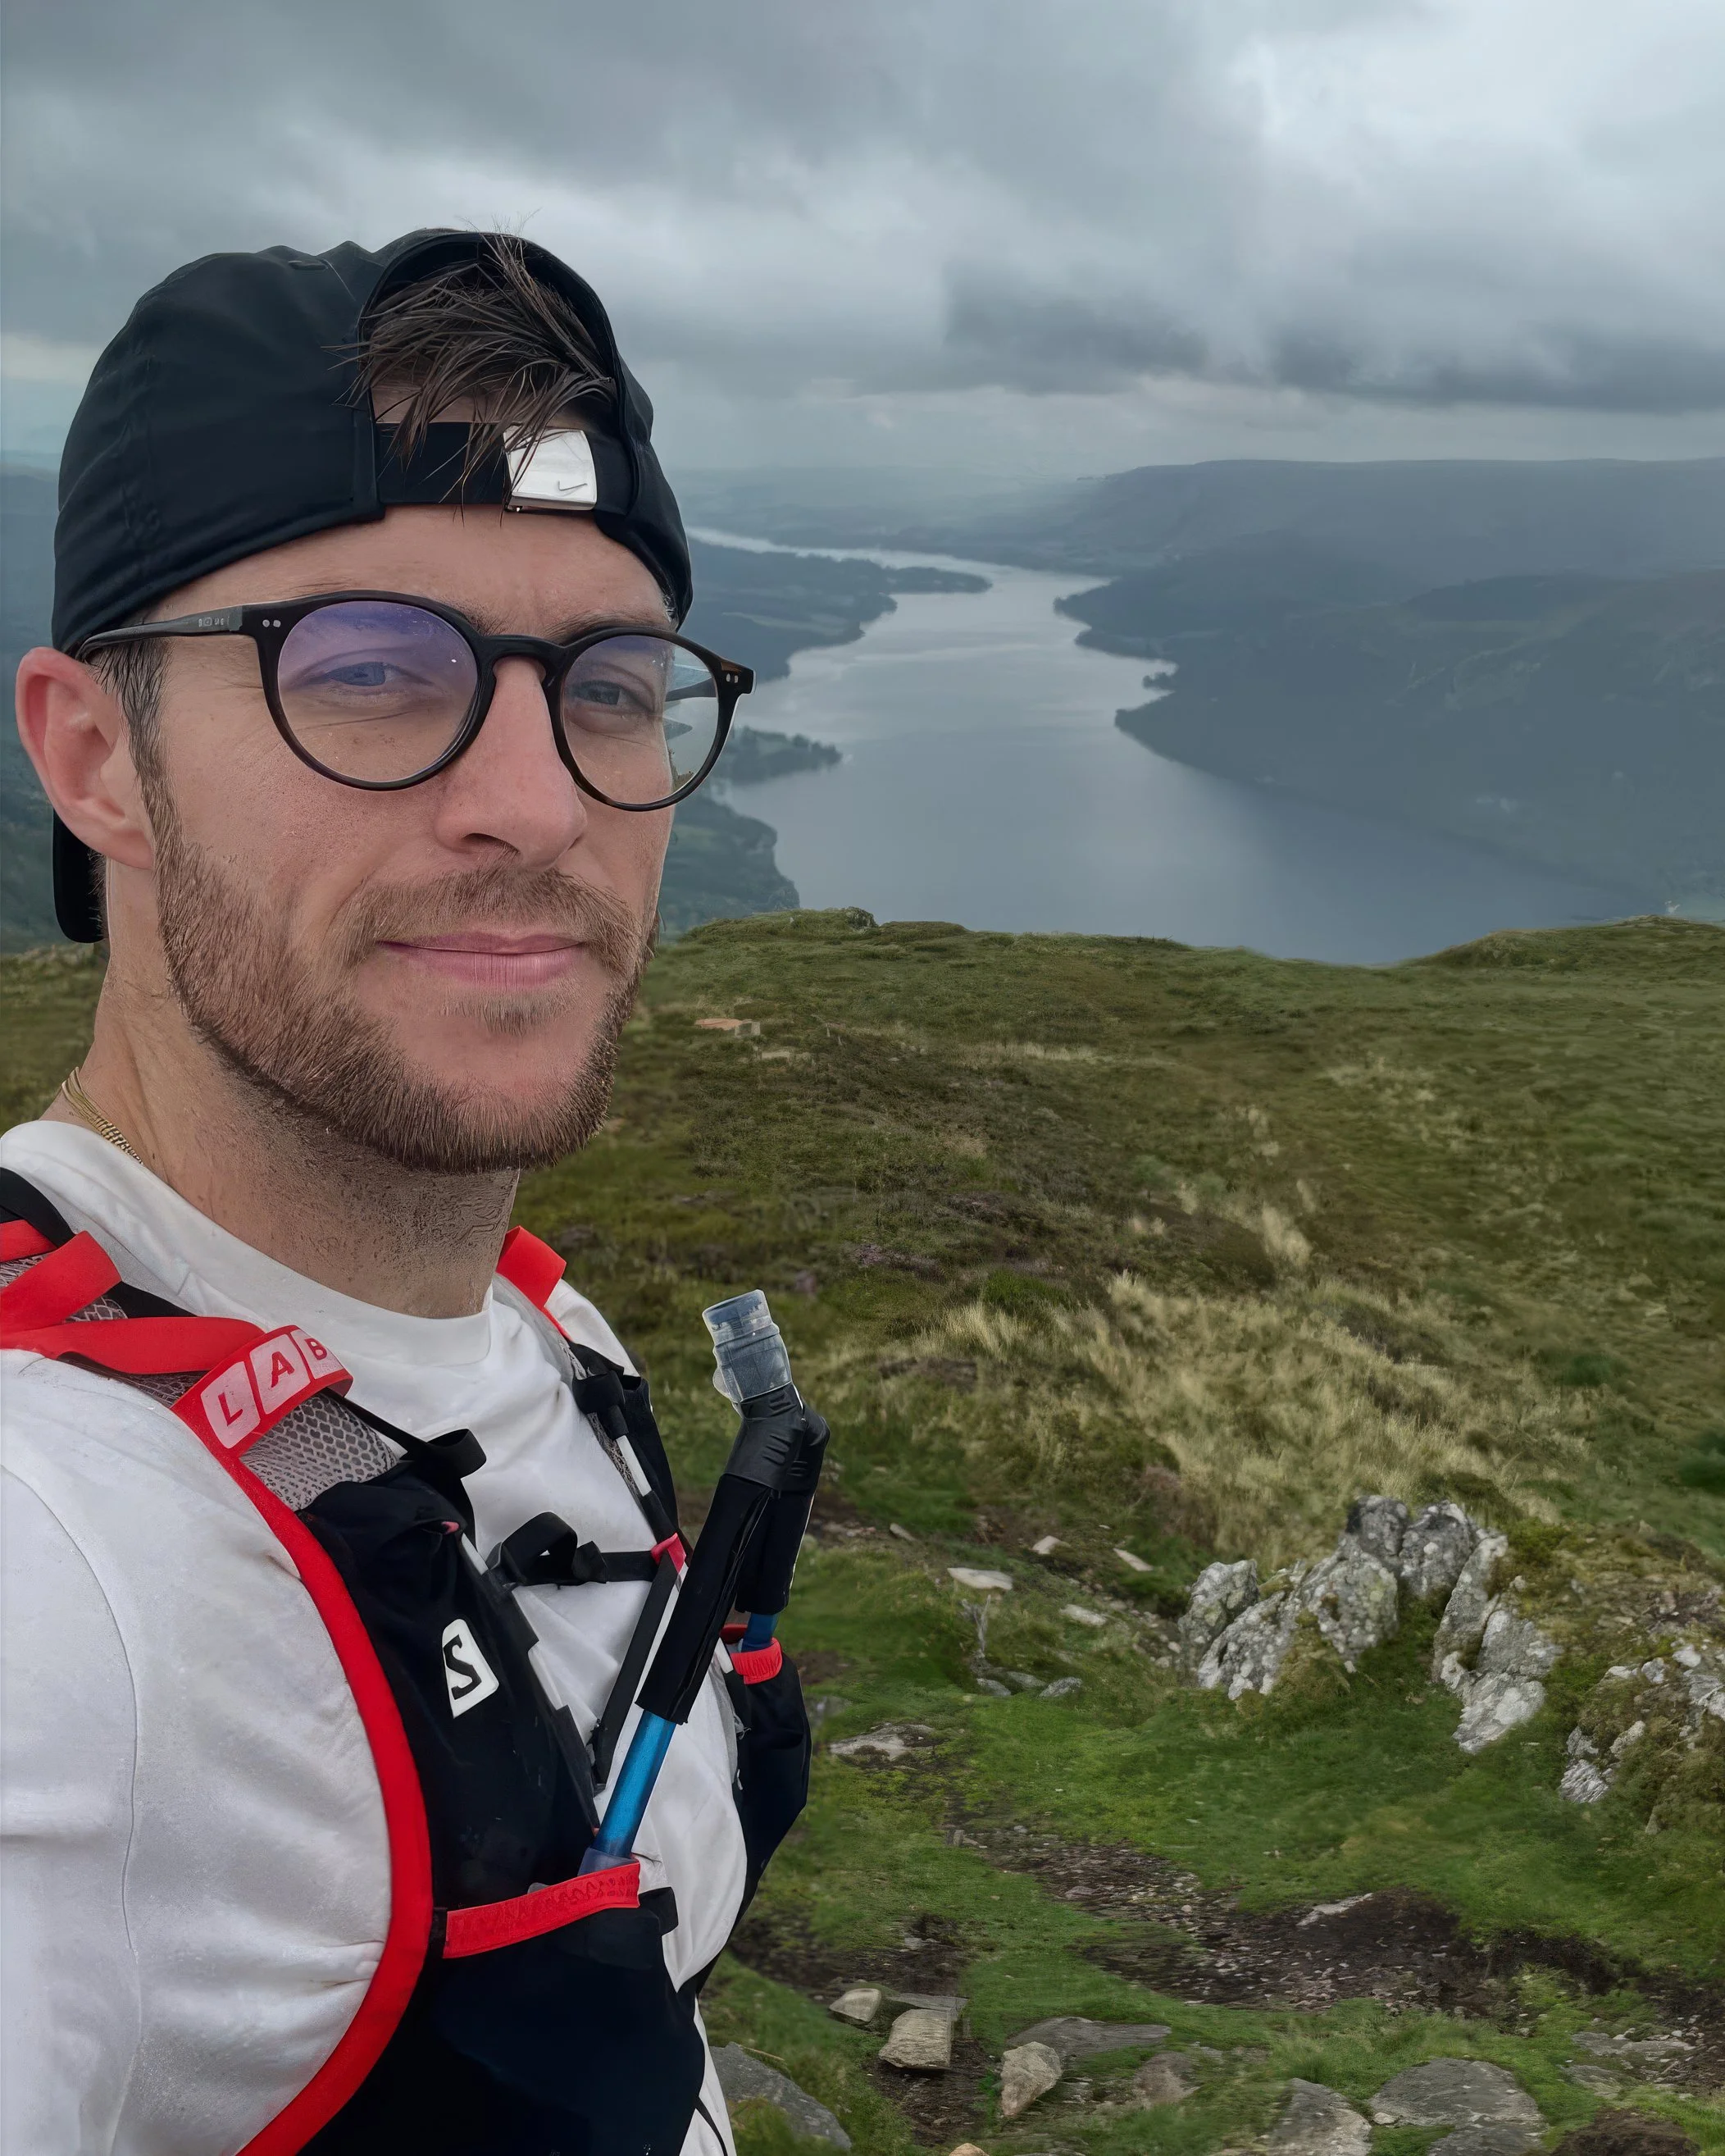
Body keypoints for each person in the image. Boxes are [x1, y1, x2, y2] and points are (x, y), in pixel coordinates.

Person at [2, 229, 803, 2156]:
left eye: (610, 686)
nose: (537, 804)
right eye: (367, 669)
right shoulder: (57, 1581)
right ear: (97, 759)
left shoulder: (545, 1329)